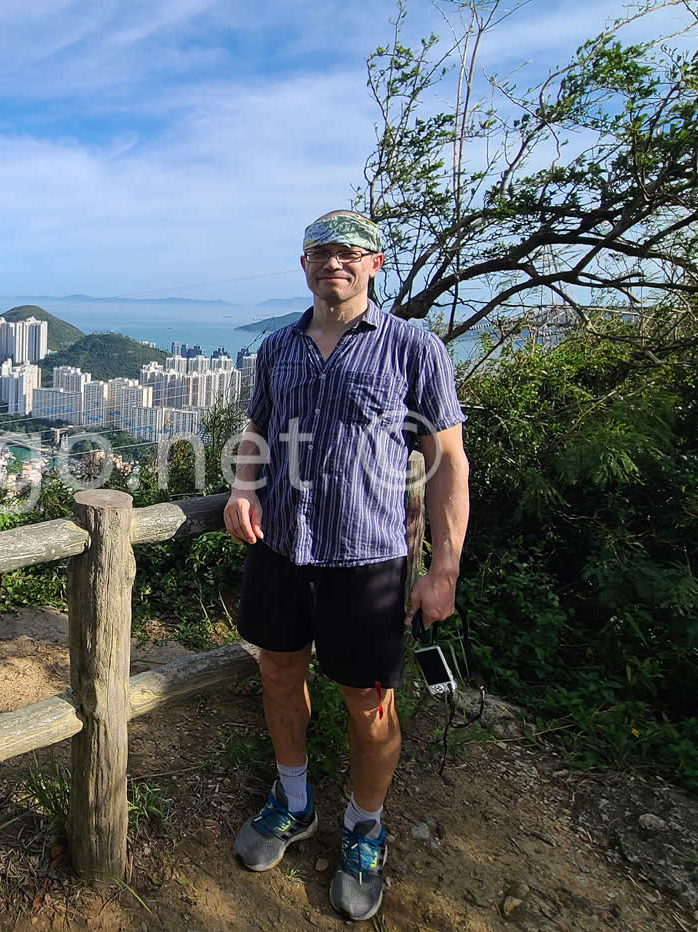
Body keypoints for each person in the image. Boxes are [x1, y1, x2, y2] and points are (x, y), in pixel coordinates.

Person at [222, 210, 470, 921]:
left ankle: (364, 827)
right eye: (321, 253)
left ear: (375, 264)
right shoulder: (277, 349)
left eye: (349, 252)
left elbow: (448, 462)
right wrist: (243, 485)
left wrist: (443, 568)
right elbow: (257, 429)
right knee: (277, 672)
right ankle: (294, 801)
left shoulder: (412, 348)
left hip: (369, 559)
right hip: (281, 548)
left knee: (371, 704)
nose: (335, 262)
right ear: (303, 267)